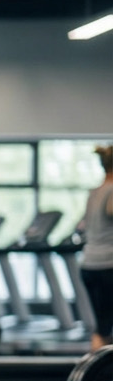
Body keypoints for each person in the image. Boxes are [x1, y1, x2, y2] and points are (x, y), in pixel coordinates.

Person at [78, 144, 113, 352]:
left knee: (102, 326)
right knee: (104, 326)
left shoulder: (95, 192)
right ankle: (99, 378)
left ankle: (98, 376)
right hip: (108, 265)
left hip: (90, 264)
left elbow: (82, 225)